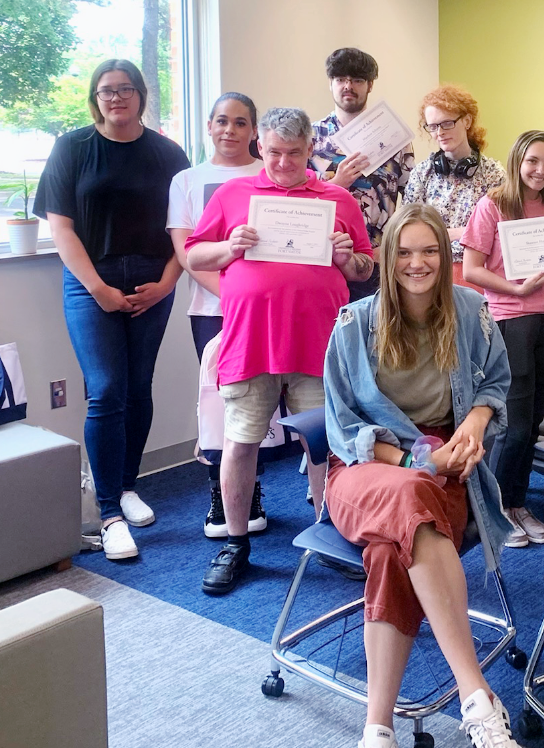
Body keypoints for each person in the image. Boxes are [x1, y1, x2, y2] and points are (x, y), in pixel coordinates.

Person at [323, 203, 521, 748]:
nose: (417, 262)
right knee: (412, 492)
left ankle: (376, 728)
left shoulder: (470, 311)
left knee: (390, 555)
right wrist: (417, 461)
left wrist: (475, 426)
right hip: (367, 471)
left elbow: (495, 385)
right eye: (405, 251)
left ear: (445, 253)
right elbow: (342, 429)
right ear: (388, 258)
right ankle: (476, 694)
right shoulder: (355, 323)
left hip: (448, 472)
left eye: (430, 250)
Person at [186, 107, 373, 595]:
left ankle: (332, 531)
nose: (283, 163)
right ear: (259, 148)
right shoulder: (233, 194)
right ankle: (235, 543)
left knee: (326, 446)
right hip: (251, 340)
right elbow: (193, 254)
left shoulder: (336, 198)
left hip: (317, 341)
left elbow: (362, 269)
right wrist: (229, 247)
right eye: (272, 153)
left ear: (311, 148)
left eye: (293, 153)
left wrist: (343, 255)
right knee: (240, 442)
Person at [33, 59, 190, 561]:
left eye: (125, 89)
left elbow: (185, 230)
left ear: (141, 94)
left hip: (151, 278)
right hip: (89, 282)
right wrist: (98, 287)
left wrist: (167, 283)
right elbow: (62, 229)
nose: (116, 98)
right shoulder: (72, 148)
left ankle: (126, 486)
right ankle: (109, 515)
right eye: (106, 91)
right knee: (105, 390)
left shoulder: (168, 153)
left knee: (137, 386)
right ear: (94, 98)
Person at [461, 131, 544, 547]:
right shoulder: (493, 206)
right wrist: (517, 290)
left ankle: (518, 502)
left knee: (534, 421)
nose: (540, 171)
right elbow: (472, 270)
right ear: (517, 161)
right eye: (532, 161)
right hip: (512, 321)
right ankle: (499, 507)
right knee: (515, 425)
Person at [167, 91, 268, 539]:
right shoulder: (187, 180)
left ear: (254, 132)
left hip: (268, 311)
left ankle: (255, 488)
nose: (230, 130)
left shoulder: (271, 173)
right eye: (222, 121)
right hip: (213, 310)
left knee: (266, 402)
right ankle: (219, 491)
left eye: (241, 122)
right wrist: (232, 297)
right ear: (209, 126)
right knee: (219, 406)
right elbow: (188, 251)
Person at [311, 47, 414, 301]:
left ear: (369, 85)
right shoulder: (311, 137)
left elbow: (413, 201)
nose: (348, 86)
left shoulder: (395, 138)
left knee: (378, 336)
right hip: (325, 258)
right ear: (331, 84)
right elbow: (298, 201)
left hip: (379, 261)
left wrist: (395, 245)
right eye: (341, 79)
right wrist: (337, 183)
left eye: (357, 80)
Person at [402, 85, 505, 290]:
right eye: (432, 126)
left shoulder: (494, 173)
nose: (439, 133)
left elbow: (500, 232)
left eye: (447, 123)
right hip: (429, 273)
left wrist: (443, 233)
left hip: (478, 273)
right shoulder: (422, 173)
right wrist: (464, 232)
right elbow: (408, 229)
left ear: (466, 121)